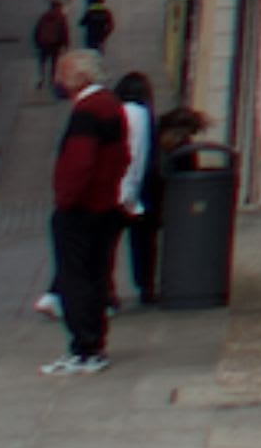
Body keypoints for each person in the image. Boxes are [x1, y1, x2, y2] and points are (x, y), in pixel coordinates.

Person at [41, 57, 129, 373]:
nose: (60, 82)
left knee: (75, 277)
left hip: (81, 209)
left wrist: (66, 200)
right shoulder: (111, 105)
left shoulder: (87, 111)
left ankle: (83, 348)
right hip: (103, 205)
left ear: (76, 77)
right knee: (95, 275)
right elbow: (123, 156)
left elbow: (80, 162)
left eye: (62, 75)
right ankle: (93, 344)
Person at [115, 75, 194, 309]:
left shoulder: (119, 118)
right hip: (148, 191)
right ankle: (146, 287)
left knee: (116, 242)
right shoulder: (148, 122)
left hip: (120, 188)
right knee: (145, 242)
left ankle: (113, 290)